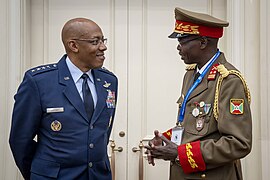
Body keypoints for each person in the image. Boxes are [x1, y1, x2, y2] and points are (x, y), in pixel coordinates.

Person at [145, 7, 252, 180]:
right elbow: (195, 126)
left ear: (202, 42)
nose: (178, 48)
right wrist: (164, 141)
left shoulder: (228, 80)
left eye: (183, 41)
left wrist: (180, 153)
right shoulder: (191, 74)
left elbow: (239, 143)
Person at [9, 18, 118, 180]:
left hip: (98, 176)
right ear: (73, 45)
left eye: (103, 40)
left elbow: (102, 132)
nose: (103, 47)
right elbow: (20, 140)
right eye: (95, 41)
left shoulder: (109, 81)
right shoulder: (39, 81)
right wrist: (38, 175)